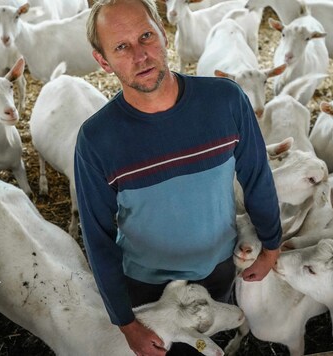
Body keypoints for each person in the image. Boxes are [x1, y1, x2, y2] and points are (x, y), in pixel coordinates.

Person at [74, 0, 282, 354]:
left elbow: (257, 177)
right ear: (103, 61)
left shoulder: (226, 101)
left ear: (164, 35)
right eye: (122, 46)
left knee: (210, 336)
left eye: (146, 36)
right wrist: (125, 322)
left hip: (219, 265)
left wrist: (272, 245)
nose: (140, 55)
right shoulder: (97, 139)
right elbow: (97, 236)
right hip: (146, 285)